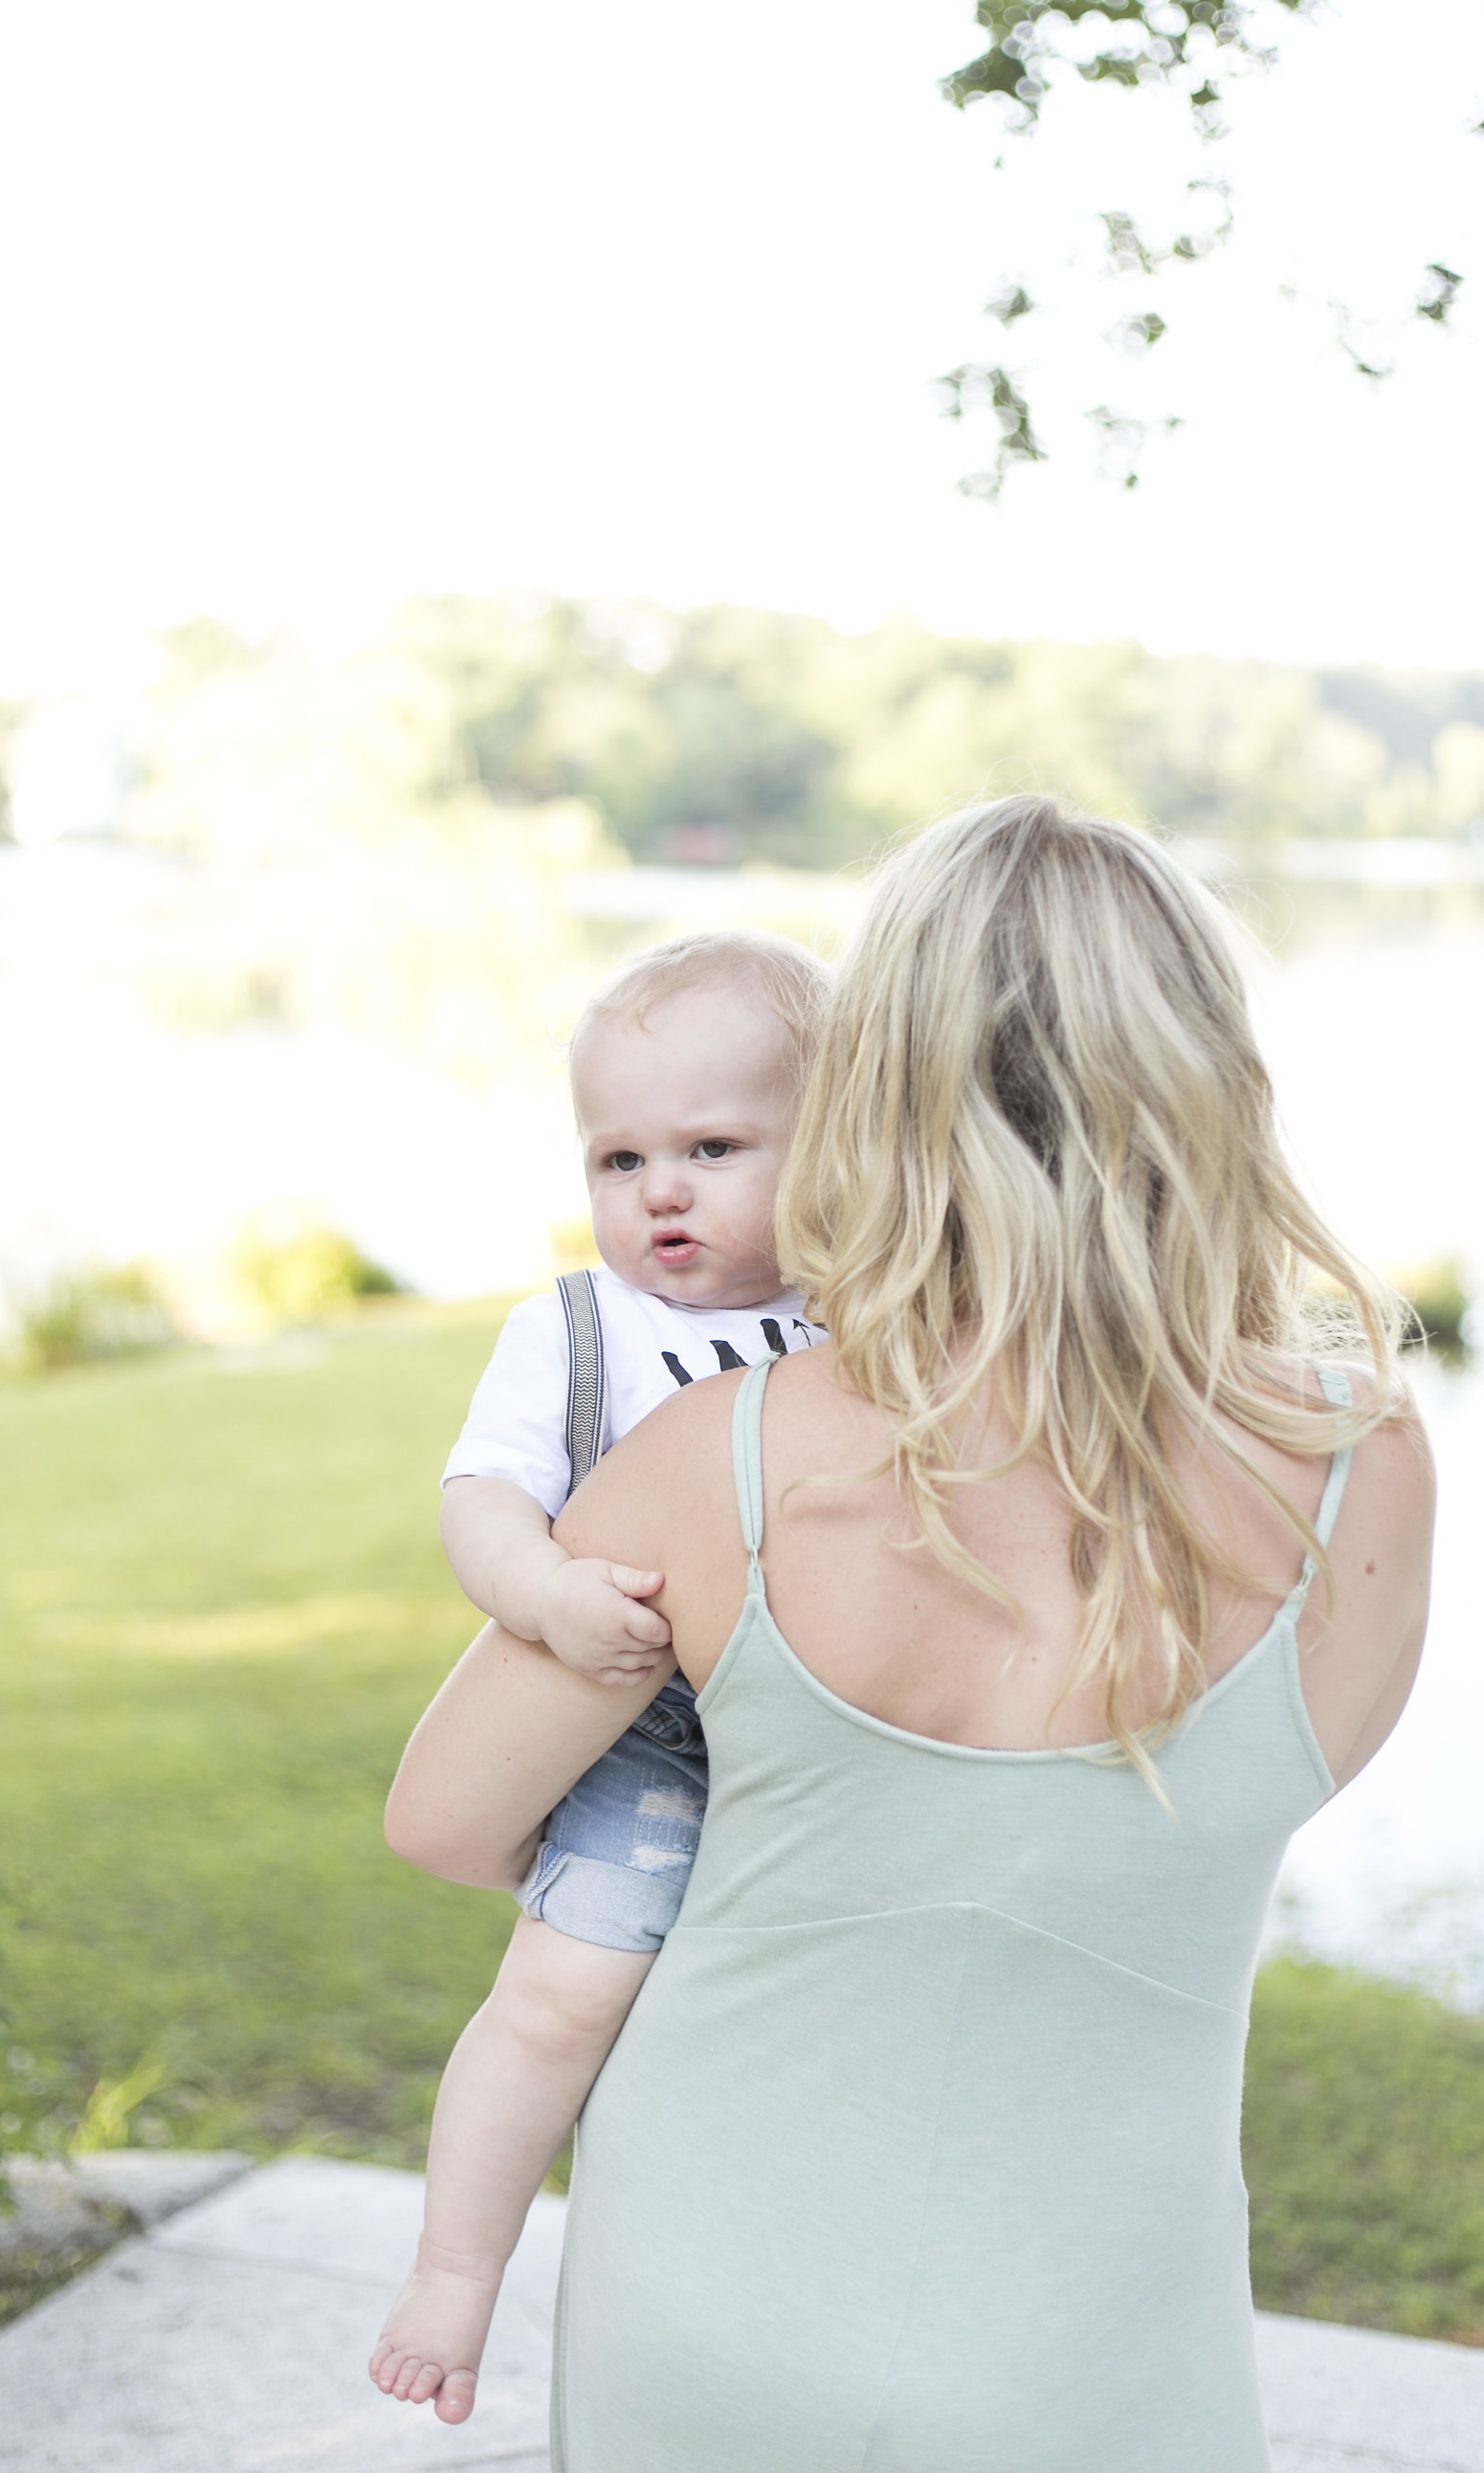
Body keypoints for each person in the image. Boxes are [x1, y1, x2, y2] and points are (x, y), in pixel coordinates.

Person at [380, 796, 1434, 2471]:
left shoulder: (710, 1462)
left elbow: (442, 1823)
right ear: (1211, 1080)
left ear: (873, 1095)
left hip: (706, 2316)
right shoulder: (1358, 1468)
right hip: (1106, 2358)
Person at [369, 929, 829, 2421]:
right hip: (642, 1719)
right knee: (565, 1995)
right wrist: (550, 1597)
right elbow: (481, 1498)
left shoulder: (864, 1318)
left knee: (776, 2039)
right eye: (619, 1160)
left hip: (822, 1725)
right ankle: (455, 2270)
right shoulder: (578, 1330)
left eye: (711, 1146)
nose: (662, 1193)